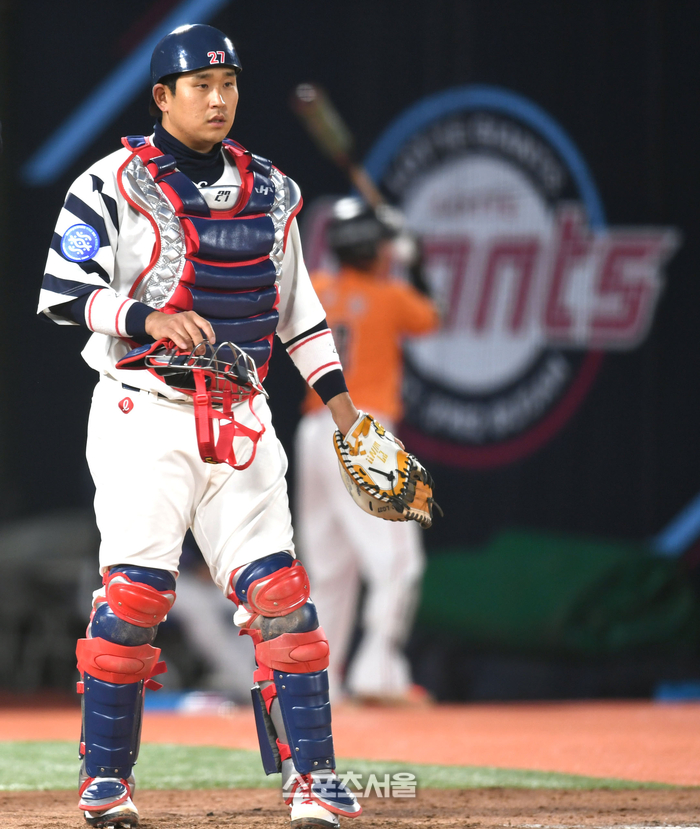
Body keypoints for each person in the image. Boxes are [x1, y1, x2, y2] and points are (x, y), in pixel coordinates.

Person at [38, 23, 366, 829]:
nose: (219, 99)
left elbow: (300, 315)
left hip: (241, 414)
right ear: (163, 96)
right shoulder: (109, 183)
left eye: (229, 84)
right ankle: (106, 780)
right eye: (201, 86)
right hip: (142, 413)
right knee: (135, 598)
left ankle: (313, 780)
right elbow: (62, 290)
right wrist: (146, 316)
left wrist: (345, 411)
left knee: (282, 598)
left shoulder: (274, 191)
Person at [295, 197, 440, 704]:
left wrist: (388, 245)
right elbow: (433, 317)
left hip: (315, 431)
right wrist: (416, 263)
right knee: (399, 561)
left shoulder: (317, 288)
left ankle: (318, 684)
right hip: (364, 433)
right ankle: (379, 675)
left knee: (329, 570)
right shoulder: (391, 295)